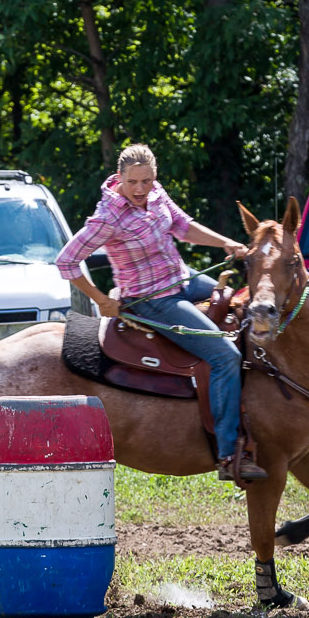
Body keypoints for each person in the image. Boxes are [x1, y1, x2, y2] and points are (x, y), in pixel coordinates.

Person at [55, 144, 264, 483]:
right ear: (119, 178)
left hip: (183, 279)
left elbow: (182, 226)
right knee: (225, 355)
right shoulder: (107, 217)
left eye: (147, 181)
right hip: (151, 299)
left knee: (241, 304)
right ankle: (228, 453)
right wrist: (100, 299)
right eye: (133, 182)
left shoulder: (156, 194)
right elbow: (66, 260)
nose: (140, 189)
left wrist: (225, 242)